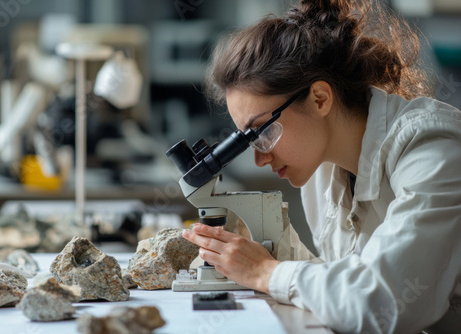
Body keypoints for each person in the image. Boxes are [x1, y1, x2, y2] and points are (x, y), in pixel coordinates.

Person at [181, 0, 461, 333]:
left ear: (320, 99)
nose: (260, 157)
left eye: (262, 132)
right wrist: (248, 256)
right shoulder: (323, 168)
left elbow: (382, 303)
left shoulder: (432, 146)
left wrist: (264, 271)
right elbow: (337, 279)